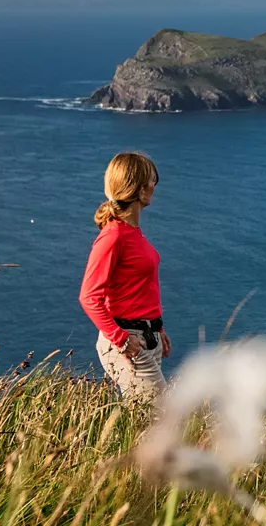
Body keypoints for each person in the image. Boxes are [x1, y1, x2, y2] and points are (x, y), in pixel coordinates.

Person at [80, 152, 171, 400]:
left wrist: (157, 328)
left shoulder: (132, 232)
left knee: (146, 426)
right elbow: (89, 297)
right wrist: (120, 340)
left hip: (145, 339)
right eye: (153, 180)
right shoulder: (113, 236)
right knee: (162, 420)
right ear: (140, 190)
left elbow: (139, 289)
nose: (155, 186)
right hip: (127, 341)